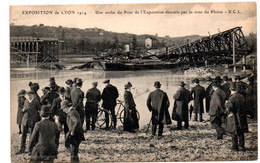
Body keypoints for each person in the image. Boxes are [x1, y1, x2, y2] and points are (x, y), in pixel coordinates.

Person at [16, 90, 41, 154]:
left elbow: (40, 110)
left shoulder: (36, 102)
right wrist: (23, 109)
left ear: (33, 95)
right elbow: (22, 110)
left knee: (32, 135)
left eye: (30, 95)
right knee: (23, 135)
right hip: (25, 120)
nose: (29, 96)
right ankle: (22, 149)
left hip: (33, 121)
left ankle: (31, 149)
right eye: (28, 95)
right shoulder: (26, 101)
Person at [225, 82, 247, 151]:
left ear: (230, 89)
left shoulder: (231, 98)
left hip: (234, 116)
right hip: (241, 116)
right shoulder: (242, 96)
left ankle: (235, 146)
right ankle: (241, 146)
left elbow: (230, 108)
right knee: (241, 131)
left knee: (233, 132)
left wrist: (226, 105)